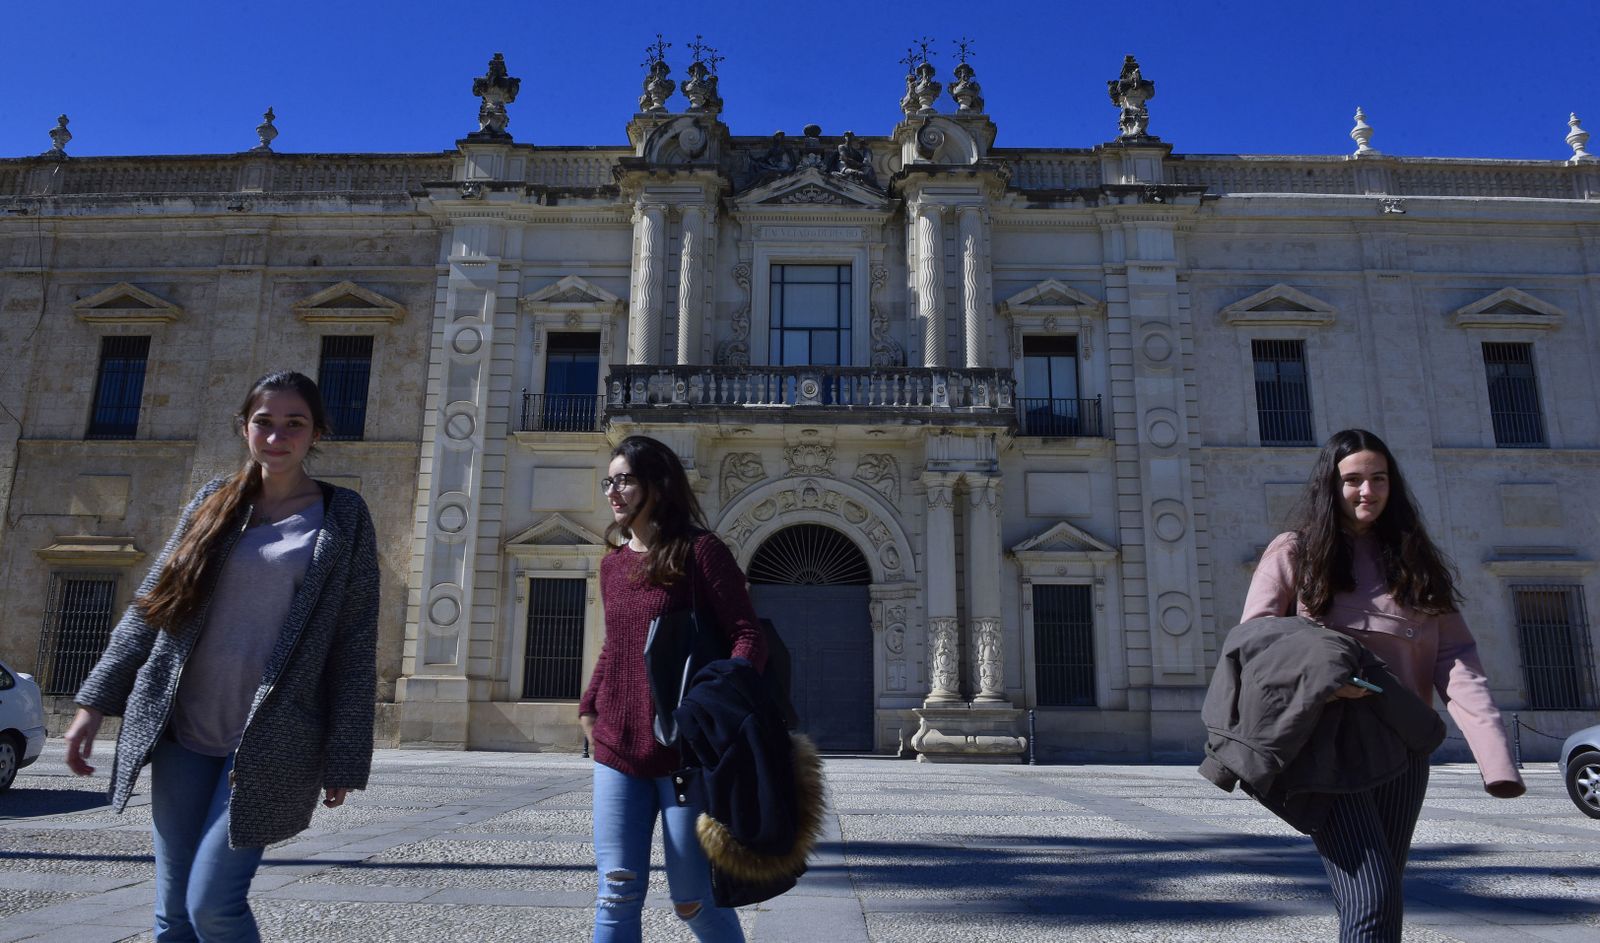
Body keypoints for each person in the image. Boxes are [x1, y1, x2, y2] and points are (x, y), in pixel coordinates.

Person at [62, 370, 380, 942]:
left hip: (270, 741)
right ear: (244, 428)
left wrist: (346, 755)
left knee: (214, 905)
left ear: (316, 433)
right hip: (184, 730)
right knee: (174, 915)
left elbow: (355, 641)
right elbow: (151, 606)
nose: (276, 436)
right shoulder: (214, 501)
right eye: (264, 422)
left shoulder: (342, 515)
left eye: (294, 424)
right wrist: (93, 701)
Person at [1240, 428, 1523, 943]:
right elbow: (1256, 640)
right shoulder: (1295, 552)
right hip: (1329, 748)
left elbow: (1456, 657)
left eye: (1378, 479)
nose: (1366, 491)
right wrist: (1324, 679)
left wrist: (1495, 758)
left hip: (1403, 749)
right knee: (1372, 897)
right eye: (1352, 480)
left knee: (1383, 897)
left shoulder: (1414, 561)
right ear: (1331, 486)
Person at [580, 434, 766, 942]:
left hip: (686, 755)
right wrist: (591, 706)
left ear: (657, 487)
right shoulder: (612, 564)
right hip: (618, 748)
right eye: (609, 482)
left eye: (624, 481)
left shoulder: (701, 553)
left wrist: (714, 706)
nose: (613, 492)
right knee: (616, 891)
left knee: (692, 900)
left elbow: (748, 636)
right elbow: (618, 645)